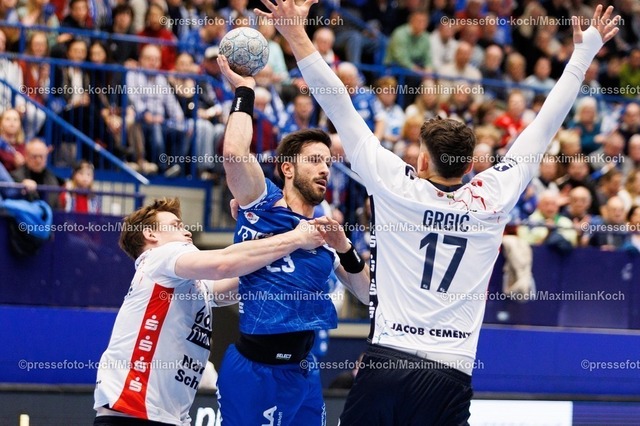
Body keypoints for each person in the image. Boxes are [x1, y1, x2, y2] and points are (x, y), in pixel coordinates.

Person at [259, 0, 618, 423]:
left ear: (423, 161)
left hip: (387, 363)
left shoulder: (396, 185)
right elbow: (544, 126)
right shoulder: (493, 197)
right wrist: (583, 54)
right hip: (450, 372)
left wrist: (295, 33)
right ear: (468, 167)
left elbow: (339, 105)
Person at [214, 53, 370, 424]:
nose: (324, 169)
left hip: (303, 371)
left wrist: (345, 248)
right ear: (287, 168)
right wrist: (246, 91)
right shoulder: (261, 201)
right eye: (314, 160)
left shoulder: (324, 232)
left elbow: (367, 295)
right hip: (255, 371)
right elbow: (234, 154)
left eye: (328, 163)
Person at [93, 197, 326, 425]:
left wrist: (263, 223)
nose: (187, 232)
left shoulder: (190, 284)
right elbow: (224, 264)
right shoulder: (158, 257)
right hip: (132, 412)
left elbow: (249, 278)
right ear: (151, 235)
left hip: (166, 416)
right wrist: (297, 237)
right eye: (176, 226)